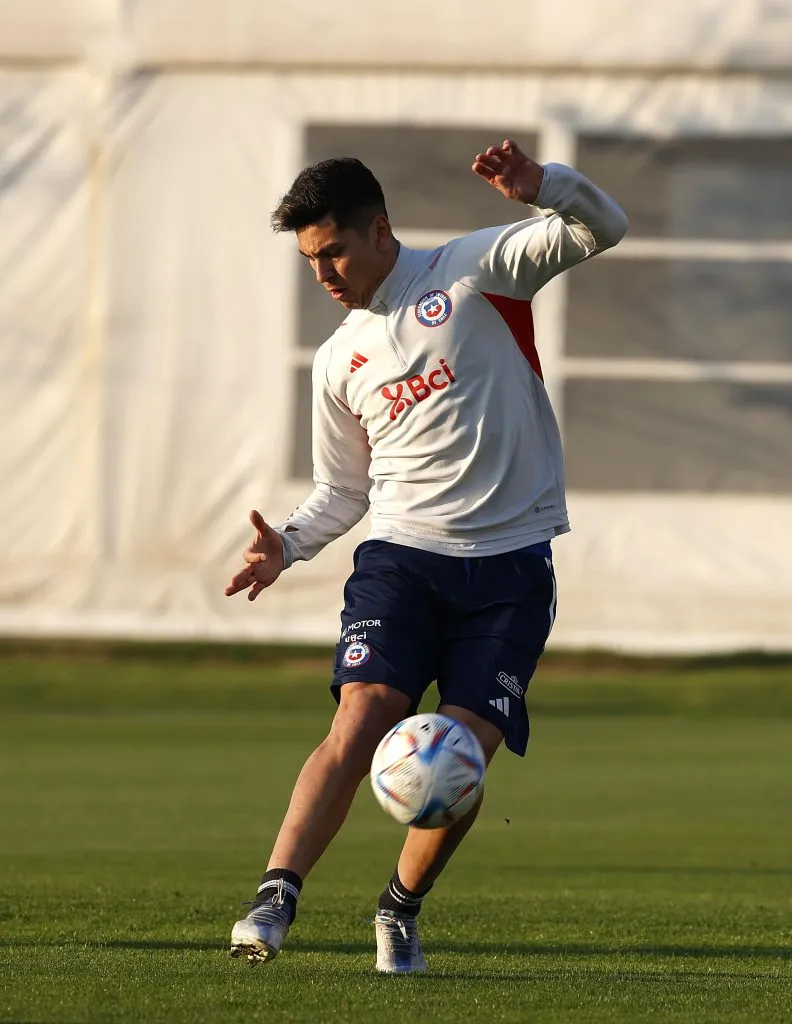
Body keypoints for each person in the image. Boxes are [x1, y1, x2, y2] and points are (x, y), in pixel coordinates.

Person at [226, 138, 627, 972]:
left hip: (511, 568)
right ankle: (276, 894)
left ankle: (399, 908)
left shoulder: (476, 270)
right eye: (309, 260)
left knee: (457, 757)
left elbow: (604, 227)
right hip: (402, 558)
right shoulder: (338, 359)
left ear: (380, 231)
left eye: (332, 250)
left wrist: (541, 187)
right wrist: (286, 548)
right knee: (363, 712)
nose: (324, 274)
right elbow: (342, 490)